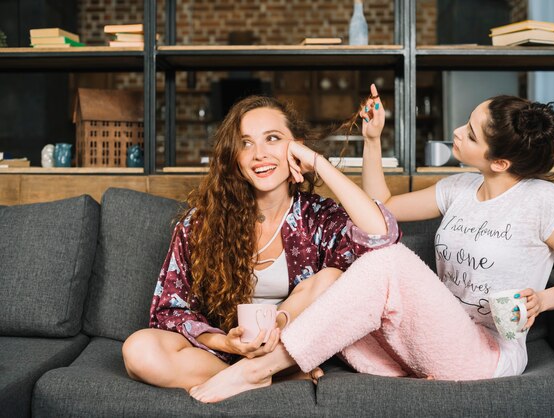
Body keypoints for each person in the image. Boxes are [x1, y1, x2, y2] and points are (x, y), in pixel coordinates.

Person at [188, 85, 554, 403]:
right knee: (340, 281)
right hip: (431, 342)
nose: (457, 131)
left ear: (500, 162)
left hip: (489, 354)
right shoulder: (459, 187)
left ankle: (261, 370)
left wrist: (541, 301)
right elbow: (380, 209)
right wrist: (372, 140)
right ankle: (290, 365)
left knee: (386, 262)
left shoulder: (545, 202)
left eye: (470, 133)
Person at [122, 95, 401, 394]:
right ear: (234, 157)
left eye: (273, 138)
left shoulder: (318, 217)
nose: (259, 154)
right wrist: (225, 342)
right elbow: (169, 309)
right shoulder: (202, 221)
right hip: (228, 351)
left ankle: (265, 371)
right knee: (139, 350)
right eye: (245, 143)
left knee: (333, 277)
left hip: (289, 349)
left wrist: (318, 163)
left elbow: (382, 236)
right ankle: (256, 375)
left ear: (297, 146)